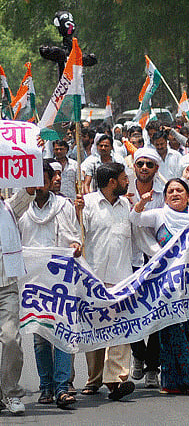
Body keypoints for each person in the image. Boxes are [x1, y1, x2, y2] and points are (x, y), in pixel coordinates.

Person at [130, 178, 189, 394]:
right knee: (171, 333)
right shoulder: (159, 215)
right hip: (169, 286)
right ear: (165, 197)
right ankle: (177, 381)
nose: (175, 194)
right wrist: (141, 202)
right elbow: (134, 218)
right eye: (170, 191)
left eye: (179, 190)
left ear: (188, 196)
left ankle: (188, 371)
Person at [18, 160, 81, 408]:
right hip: (33, 282)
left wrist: (75, 246)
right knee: (40, 336)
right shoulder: (22, 209)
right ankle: (46, 387)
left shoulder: (63, 206)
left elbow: (72, 235)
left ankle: (63, 387)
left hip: (60, 280)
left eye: (43, 179)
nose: (39, 185)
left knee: (63, 333)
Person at [80, 163, 135, 400]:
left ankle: (116, 380)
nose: (127, 182)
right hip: (93, 279)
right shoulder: (87, 204)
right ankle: (94, 379)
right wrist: (76, 213)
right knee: (94, 329)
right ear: (112, 182)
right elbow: (78, 237)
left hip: (122, 279)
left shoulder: (126, 205)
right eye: (124, 178)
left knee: (121, 330)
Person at [127, 148, 165, 389]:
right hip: (128, 259)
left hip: (157, 259)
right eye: (139, 163)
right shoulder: (124, 190)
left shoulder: (164, 192)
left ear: (156, 169)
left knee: (157, 314)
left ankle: (153, 367)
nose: (143, 168)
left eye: (148, 165)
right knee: (131, 311)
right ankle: (138, 353)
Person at [0, 186, 35, 415]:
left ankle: (11, 392)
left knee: (11, 339)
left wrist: (33, 155)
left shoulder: (9, 207)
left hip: (6, 286)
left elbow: (29, 190)